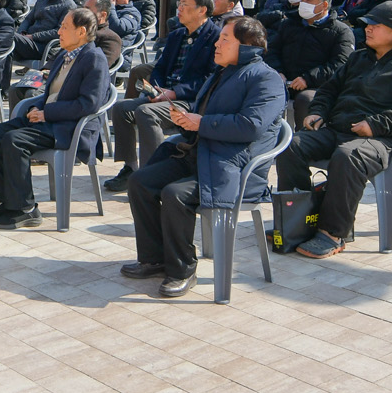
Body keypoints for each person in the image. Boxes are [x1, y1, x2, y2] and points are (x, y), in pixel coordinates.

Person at [122, 17, 286, 297]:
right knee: (140, 182)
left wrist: (201, 123)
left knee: (175, 194)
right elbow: (206, 117)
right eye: (219, 38)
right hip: (204, 154)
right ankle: (155, 258)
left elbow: (251, 126)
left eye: (225, 39)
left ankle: (182, 269)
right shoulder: (223, 72)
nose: (217, 44)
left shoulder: (266, 79)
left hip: (235, 168)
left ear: (246, 45)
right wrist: (187, 121)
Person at [275, 1, 392, 258]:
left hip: (382, 139)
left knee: (348, 156)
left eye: (375, 25)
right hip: (338, 129)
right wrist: (318, 111)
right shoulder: (358, 58)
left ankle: (332, 232)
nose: (368, 29)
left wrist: (375, 124)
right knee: (290, 146)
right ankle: (299, 219)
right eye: (367, 24)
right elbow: (328, 90)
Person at [0, 8, 112, 229]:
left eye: (65, 27)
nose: (59, 32)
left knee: (14, 140)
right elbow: (51, 93)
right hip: (50, 120)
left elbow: (88, 104)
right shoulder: (64, 54)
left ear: (81, 32)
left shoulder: (94, 59)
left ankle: (26, 209)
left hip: (69, 127)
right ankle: (9, 202)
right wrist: (36, 107)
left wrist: (46, 113)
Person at [105, 0, 221, 192]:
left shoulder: (215, 37)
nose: (179, 9)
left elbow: (209, 79)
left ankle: (153, 171)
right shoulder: (177, 35)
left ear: (202, 10)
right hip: (164, 95)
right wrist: (156, 89)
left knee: (145, 112)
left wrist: (175, 92)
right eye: (179, 4)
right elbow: (159, 67)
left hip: (190, 101)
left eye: (185, 5)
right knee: (121, 108)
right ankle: (130, 167)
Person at [264, 0, 355, 126]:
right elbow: (272, 50)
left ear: (324, 5)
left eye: (309, 0)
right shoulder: (289, 24)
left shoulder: (341, 32)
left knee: (306, 100)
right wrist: (278, 72)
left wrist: (308, 79)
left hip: (318, 87)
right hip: (283, 80)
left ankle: (304, 138)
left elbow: (340, 64)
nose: (304, 3)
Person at [11, 0, 76, 62]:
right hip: (27, 41)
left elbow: (59, 31)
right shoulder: (42, 0)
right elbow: (28, 19)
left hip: (44, 46)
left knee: (8, 36)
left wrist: (33, 36)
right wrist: (22, 32)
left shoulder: (69, 6)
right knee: (4, 41)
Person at [82, 0, 125, 68]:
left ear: (103, 15)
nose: (82, 13)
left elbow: (100, 66)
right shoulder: (79, 30)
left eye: (87, 10)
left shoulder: (111, 38)